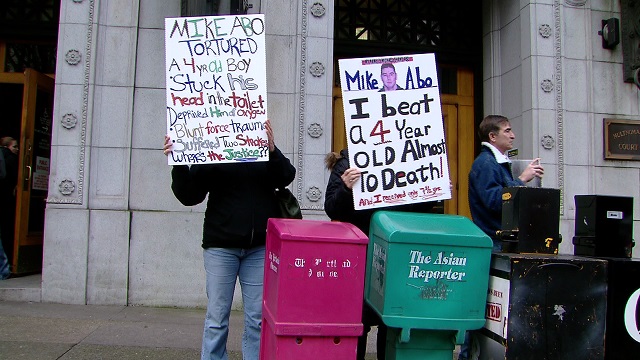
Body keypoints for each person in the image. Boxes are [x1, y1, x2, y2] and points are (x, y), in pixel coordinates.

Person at [163, 119, 296, 360]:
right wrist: (179, 163)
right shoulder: (213, 151)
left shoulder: (261, 149)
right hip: (221, 247)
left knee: (257, 319)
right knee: (217, 318)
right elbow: (190, 196)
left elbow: (287, 175)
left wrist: (272, 149)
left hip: (257, 248)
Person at [324, 149, 436, 360]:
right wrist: (346, 188)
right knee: (358, 320)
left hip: (396, 253)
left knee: (391, 319)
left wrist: (432, 191)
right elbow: (332, 208)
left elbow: (414, 209)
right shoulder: (347, 163)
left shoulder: (407, 161)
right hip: (360, 255)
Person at [461, 115, 543, 360]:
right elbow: (495, 202)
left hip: (498, 243)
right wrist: (522, 180)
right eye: (507, 131)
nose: (513, 135)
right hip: (493, 243)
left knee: (486, 307)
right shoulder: (486, 164)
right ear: (492, 136)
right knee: (481, 307)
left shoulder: (494, 163)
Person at [0, 137, 19, 266]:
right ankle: (4, 268)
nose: (17, 149)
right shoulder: (11, 159)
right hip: (6, 199)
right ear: (7, 147)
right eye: (15, 146)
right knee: (6, 228)